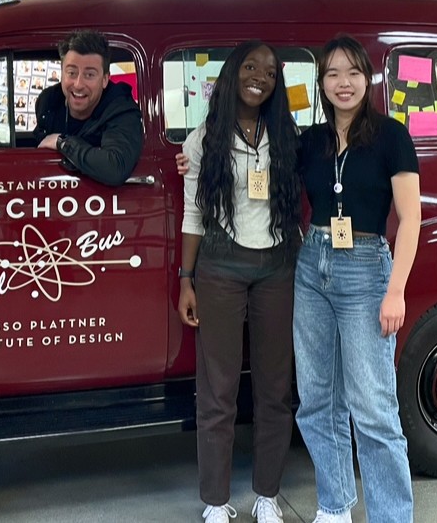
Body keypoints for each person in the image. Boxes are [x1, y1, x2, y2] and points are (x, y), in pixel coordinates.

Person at [295, 34, 420, 523]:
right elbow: (253, 162)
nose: (342, 83)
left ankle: (391, 516)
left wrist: (396, 291)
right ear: (321, 82)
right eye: (332, 74)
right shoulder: (312, 140)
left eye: (352, 72)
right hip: (312, 265)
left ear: (367, 78)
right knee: (316, 400)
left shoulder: (392, 135)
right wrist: (191, 159)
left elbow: (410, 218)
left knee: (372, 408)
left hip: (367, 270)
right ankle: (334, 505)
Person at [178, 41, 302, 523]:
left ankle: (267, 496)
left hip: (277, 265)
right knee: (218, 391)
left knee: (274, 388)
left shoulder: (287, 134)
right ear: (232, 75)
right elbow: (193, 214)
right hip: (220, 268)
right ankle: (215, 501)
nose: (260, 77)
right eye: (251, 67)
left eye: (270, 73)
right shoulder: (202, 139)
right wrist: (186, 280)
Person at [28, 29, 143, 186]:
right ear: (62, 74)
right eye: (71, 73)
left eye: (89, 75)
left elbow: (115, 167)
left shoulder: (121, 111)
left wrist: (62, 142)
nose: (78, 84)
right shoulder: (48, 103)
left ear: (104, 80)